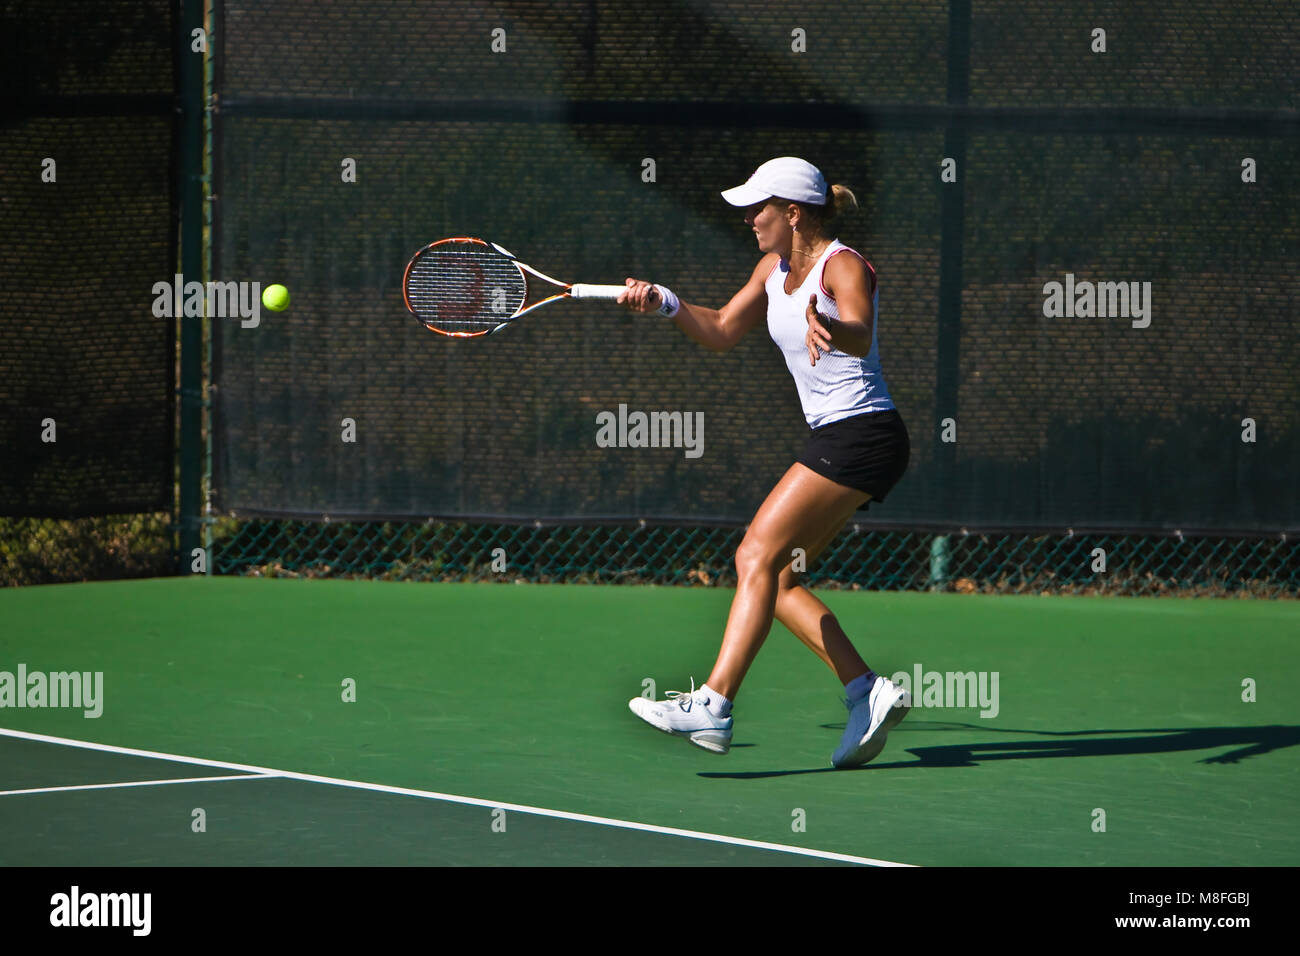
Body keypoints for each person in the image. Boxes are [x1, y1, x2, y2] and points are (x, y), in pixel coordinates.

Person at [618, 157, 912, 768]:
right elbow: (724, 328)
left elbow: (857, 326)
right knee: (777, 580)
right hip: (844, 437)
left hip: (862, 433)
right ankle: (867, 691)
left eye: (760, 209)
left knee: (753, 553)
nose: (750, 219)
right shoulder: (770, 270)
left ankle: (715, 704)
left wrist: (828, 321)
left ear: (794, 213)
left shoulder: (843, 265)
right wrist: (667, 303)